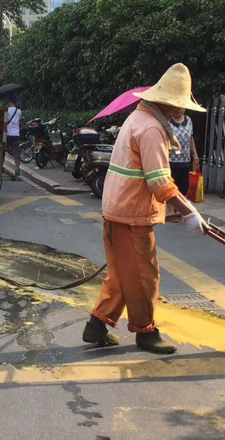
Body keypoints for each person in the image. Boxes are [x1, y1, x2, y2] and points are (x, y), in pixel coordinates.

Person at [82, 63, 209, 355]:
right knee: (143, 275)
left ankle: (97, 323)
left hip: (118, 207)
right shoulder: (152, 129)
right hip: (131, 213)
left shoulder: (137, 119)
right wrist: (189, 210)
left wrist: (185, 209)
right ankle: (146, 331)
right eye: (178, 106)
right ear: (164, 102)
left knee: (122, 274)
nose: (181, 112)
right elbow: (159, 181)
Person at [169, 108, 199, 197]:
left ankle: (179, 209)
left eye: (180, 108)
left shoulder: (188, 120)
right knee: (171, 188)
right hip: (171, 161)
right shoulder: (167, 121)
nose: (178, 110)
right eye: (175, 107)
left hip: (185, 160)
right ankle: (171, 208)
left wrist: (195, 154)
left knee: (184, 187)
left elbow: (191, 138)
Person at [6, 97, 23, 180]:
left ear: (9, 102)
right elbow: (20, 120)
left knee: (3, 150)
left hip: (8, 134)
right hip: (16, 134)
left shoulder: (7, 111)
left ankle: (0, 165)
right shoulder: (19, 111)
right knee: (16, 153)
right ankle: (17, 170)